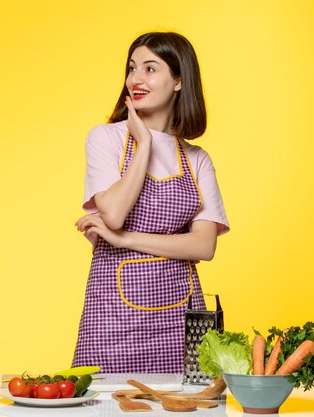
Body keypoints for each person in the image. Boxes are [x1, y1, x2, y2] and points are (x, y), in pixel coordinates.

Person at [72, 32, 229, 374]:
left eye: (149, 68)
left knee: (188, 406)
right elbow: (113, 213)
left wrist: (126, 240)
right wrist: (143, 143)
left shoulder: (197, 159)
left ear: (177, 81)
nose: (135, 79)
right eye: (131, 68)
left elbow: (204, 245)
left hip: (180, 316)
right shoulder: (105, 138)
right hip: (113, 318)